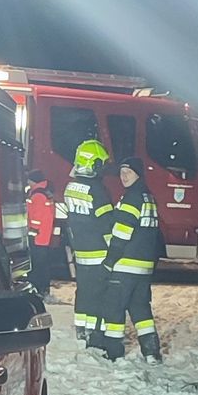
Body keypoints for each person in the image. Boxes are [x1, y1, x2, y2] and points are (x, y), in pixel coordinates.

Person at [94, 155, 162, 362]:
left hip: (125, 265)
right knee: (141, 310)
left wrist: (109, 261)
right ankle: (151, 353)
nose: (123, 176)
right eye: (121, 172)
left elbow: (122, 233)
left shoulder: (131, 198)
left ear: (138, 174)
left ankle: (113, 352)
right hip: (143, 268)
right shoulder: (148, 197)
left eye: (128, 172)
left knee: (113, 308)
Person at [62, 139, 114, 344]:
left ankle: (81, 328)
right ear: (94, 164)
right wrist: (115, 251)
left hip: (81, 252)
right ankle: (96, 332)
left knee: (83, 292)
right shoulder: (98, 191)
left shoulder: (70, 187)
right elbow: (107, 224)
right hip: (99, 252)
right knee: (99, 294)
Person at [25, 171, 65, 297]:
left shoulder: (37, 194)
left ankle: (39, 287)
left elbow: (36, 216)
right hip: (44, 235)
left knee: (38, 263)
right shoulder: (45, 192)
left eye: (29, 181)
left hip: (37, 235)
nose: (27, 183)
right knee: (43, 262)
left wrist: (32, 230)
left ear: (33, 181)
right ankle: (44, 287)